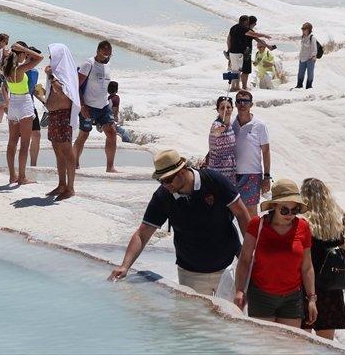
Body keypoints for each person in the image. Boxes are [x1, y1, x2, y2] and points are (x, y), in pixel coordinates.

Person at [109, 149, 251, 296]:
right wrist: (124, 266)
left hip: (227, 267)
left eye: (168, 180)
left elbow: (241, 214)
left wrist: (249, 254)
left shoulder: (214, 181)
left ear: (182, 171)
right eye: (161, 180)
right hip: (190, 272)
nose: (165, 185)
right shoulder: (163, 196)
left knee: (230, 316)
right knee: (193, 318)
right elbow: (142, 234)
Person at [234, 178, 318, 328]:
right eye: (285, 210)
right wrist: (239, 290)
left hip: (292, 298)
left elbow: (307, 267)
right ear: (274, 205)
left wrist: (312, 298)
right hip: (261, 296)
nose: (290, 215)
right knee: (264, 348)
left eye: (295, 210)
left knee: (289, 348)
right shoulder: (257, 224)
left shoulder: (303, 227)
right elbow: (245, 259)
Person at [301, 178, 345, 340]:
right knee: (325, 345)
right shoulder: (334, 225)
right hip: (331, 289)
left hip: (306, 288)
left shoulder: (302, 224)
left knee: (300, 344)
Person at [1, 41, 44, 185]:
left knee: (12, 142)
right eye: (23, 54)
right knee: (25, 143)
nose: (25, 56)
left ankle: (12, 175)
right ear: (18, 54)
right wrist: (24, 49)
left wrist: (13, 52)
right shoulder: (19, 70)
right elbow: (40, 58)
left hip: (13, 102)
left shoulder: (6, 69)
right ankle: (22, 177)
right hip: (24, 103)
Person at [74, 40, 118, 173]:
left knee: (112, 133)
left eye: (109, 55)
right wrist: (82, 105)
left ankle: (110, 167)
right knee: (84, 135)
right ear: (98, 51)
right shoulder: (89, 64)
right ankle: (74, 164)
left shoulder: (108, 65)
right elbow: (76, 85)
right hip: (88, 106)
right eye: (105, 55)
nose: (107, 58)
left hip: (104, 106)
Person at [45, 43, 81, 200]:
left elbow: (62, 91)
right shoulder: (56, 74)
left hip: (63, 117)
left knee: (66, 151)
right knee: (57, 152)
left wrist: (51, 76)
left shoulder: (63, 74)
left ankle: (70, 187)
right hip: (54, 116)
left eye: (52, 56)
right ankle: (61, 184)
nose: (50, 59)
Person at [231, 89, 271, 214]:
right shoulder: (231, 124)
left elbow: (266, 151)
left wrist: (267, 177)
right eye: (239, 101)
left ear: (251, 104)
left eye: (246, 101)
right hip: (232, 175)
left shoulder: (259, 126)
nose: (242, 104)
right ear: (236, 104)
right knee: (232, 212)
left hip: (252, 175)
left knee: (251, 214)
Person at [226, 15, 270, 91]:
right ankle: (236, 87)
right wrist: (264, 35)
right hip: (241, 52)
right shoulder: (243, 28)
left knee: (235, 70)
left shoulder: (233, 27)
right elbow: (255, 35)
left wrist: (228, 50)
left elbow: (228, 39)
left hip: (232, 52)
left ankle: (235, 86)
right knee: (238, 70)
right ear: (246, 21)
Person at [204, 95, 237, 183]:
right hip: (217, 172)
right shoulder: (216, 124)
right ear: (218, 110)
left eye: (228, 107)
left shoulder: (231, 125)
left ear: (232, 109)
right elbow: (215, 132)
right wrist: (219, 130)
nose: (226, 110)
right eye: (222, 108)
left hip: (230, 172)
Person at [297, 22, 318, 91]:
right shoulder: (303, 37)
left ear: (308, 29)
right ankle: (299, 86)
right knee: (300, 73)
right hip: (302, 58)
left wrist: (313, 56)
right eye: (302, 28)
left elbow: (314, 49)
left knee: (310, 74)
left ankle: (309, 87)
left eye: (304, 29)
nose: (302, 30)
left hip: (310, 58)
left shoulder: (312, 38)